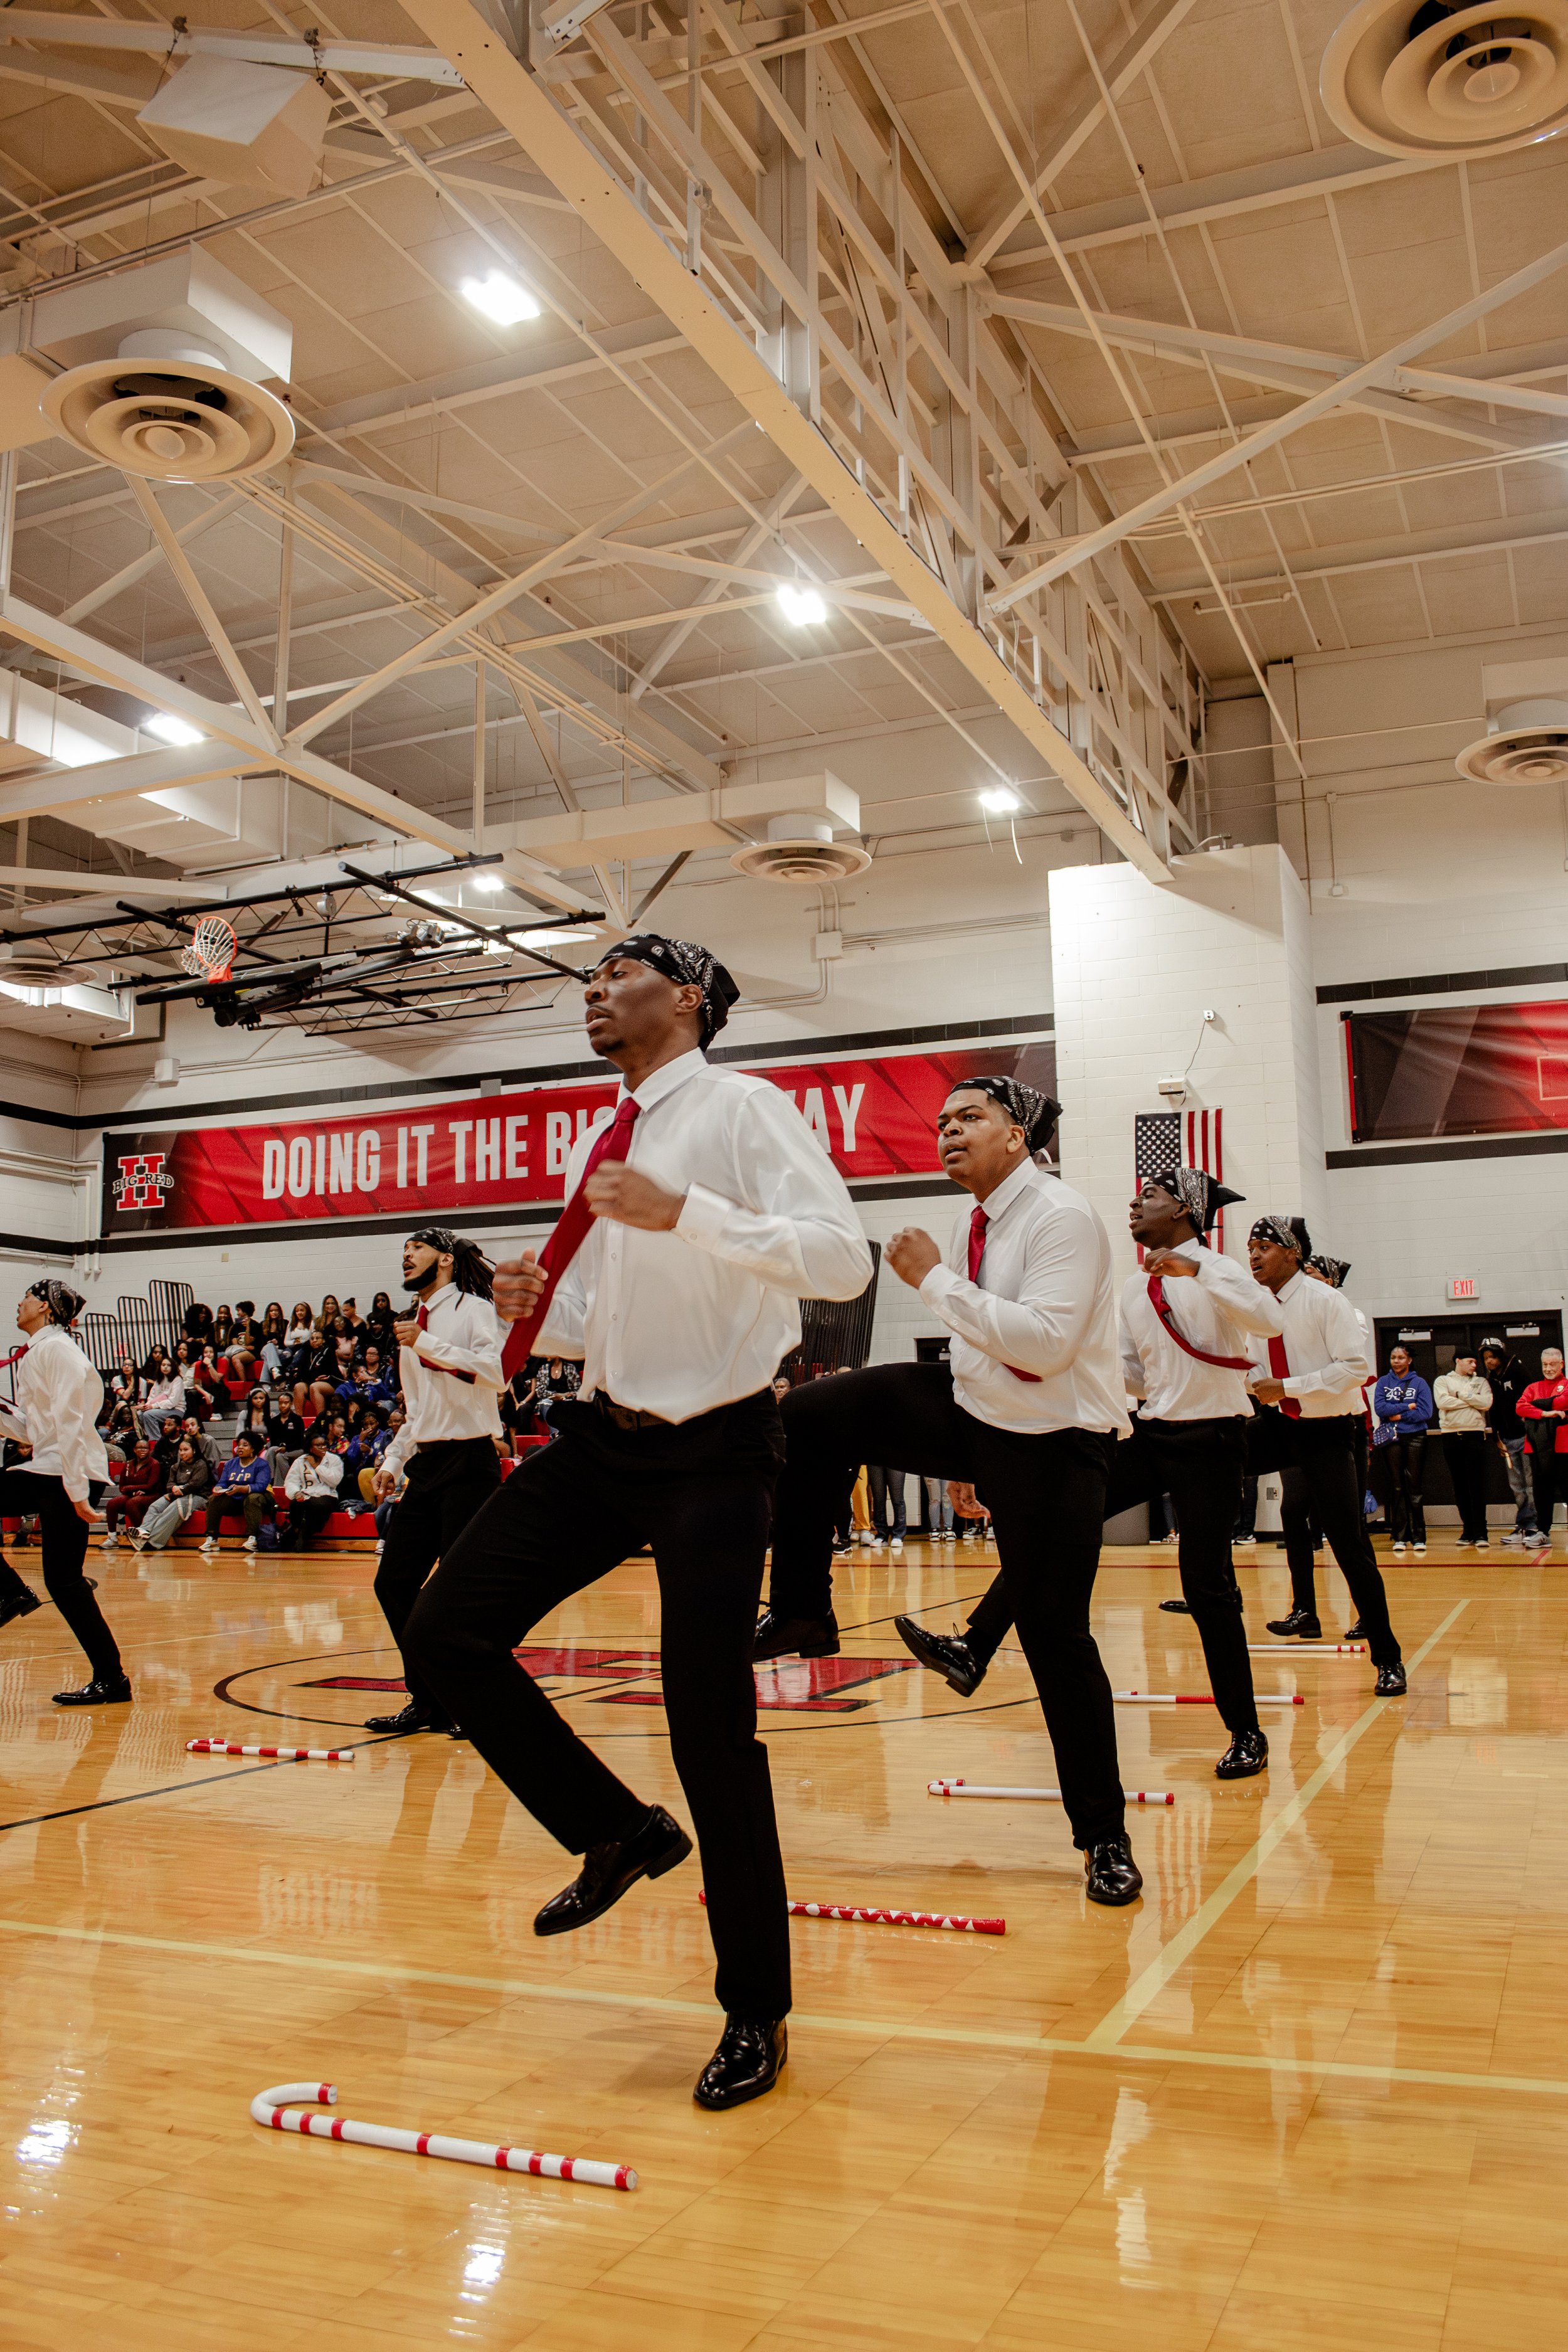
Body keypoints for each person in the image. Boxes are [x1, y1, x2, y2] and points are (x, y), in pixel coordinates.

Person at [404, 932, 871, 2111]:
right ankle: (616, 1831)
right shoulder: (600, 1135)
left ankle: (755, 2007)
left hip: (717, 1449)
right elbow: (609, 1313)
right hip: (606, 1441)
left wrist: (689, 1213)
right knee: (446, 1629)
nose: (595, 993)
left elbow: (841, 1263)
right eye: (588, 981)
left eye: (620, 976)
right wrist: (539, 1307)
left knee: (710, 1729)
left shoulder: (743, 1109)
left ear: (691, 998)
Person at [764, 1075, 1146, 1897]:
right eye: (941, 1120)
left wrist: (932, 1281)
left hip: (1057, 1441)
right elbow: (984, 1345)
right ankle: (801, 1607)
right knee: (814, 1413)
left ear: (1017, 1136)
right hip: (983, 1417)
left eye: (970, 1116)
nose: (948, 1130)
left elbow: (1042, 1346)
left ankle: (1104, 1836)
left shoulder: (1061, 1215)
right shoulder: (973, 1220)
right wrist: (972, 1457)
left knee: (1056, 1640)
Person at [895, 1163, 1281, 1781]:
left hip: (1213, 1440)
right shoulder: (1134, 1287)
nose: (1134, 1204)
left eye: (1150, 1195)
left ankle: (1246, 1732)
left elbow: (1268, 1319)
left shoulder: (1219, 1269)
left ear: (1183, 1209)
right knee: (1053, 1536)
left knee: (1207, 1588)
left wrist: (1196, 1270)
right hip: (1152, 1433)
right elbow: (1128, 1373)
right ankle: (973, 1647)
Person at [1238, 1218, 1405, 1689]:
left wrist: (1286, 1387)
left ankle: (1388, 1657)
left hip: (1326, 1430)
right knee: (1210, 1462)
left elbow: (1355, 1369)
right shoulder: (1255, 1307)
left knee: (1348, 1543)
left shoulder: (1326, 1300)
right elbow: (1251, 1367)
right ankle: (1213, 1586)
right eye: (1250, 1247)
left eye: (1264, 1246)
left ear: (1293, 1253)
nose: (1254, 1255)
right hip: (1278, 1424)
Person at [360, 1231, 507, 1734]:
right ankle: (428, 1699)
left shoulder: (474, 1309)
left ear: (445, 1259)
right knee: (393, 1584)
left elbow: (497, 1374)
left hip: (470, 1462)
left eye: (417, 1248)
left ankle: (471, 1702)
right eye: (403, 1250)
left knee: (458, 1593)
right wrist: (393, 1460)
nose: (406, 1255)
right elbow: (417, 1411)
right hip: (427, 1465)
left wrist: (426, 1344)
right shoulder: (412, 1323)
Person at [0, 1278, 127, 1705]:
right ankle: (10, 1592)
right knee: (65, 1582)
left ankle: (112, 1679)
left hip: (67, 1473)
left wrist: (77, 1494)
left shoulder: (58, 1350)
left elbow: (73, 1425)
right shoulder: (39, 1351)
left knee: (65, 1582)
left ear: (45, 1306)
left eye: (26, 1297)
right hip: (50, 1468)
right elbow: (35, 1431)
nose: (19, 1303)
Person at [1480, 1337, 1544, 1546]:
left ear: (1501, 1355)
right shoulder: (1492, 1378)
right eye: (1485, 1358)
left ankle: (1534, 1526)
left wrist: (1532, 1432)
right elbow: (1494, 1410)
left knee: (1530, 1483)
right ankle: (1523, 1525)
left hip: (1525, 1437)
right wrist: (1497, 1437)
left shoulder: (1517, 1371)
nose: (1489, 1361)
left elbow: (1531, 1402)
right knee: (1517, 1486)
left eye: (1492, 1356)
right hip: (1508, 1439)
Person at [1371, 1344, 1433, 1556]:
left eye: (1400, 1358)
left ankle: (1418, 1536)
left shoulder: (1419, 1383)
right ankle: (1400, 1537)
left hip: (1416, 1437)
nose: (1396, 1361)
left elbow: (1425, 1412)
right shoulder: (1383, 1382)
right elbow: (1380, 1409)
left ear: (1409, 1361)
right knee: (1397, 1487)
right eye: (1393, 1357)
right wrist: (1407, 1407)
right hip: (1392, 1438)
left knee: (1414, 1487)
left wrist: (1397, 1414)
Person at [1434, 1353, 1492, 1547]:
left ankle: (1481, 1532)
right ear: (1458, 1361)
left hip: (1474, 1435)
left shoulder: (1481, 1382)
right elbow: (1442, 1403)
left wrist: (1459, 1395)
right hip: (1451, 1436)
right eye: (1470, 1361)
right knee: (1459, 1485)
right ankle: (1468, 1530)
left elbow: (1486, 1403)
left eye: (1476, 1362)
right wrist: (1472, 1401)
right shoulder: (1443, 1381)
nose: (1474, 1365)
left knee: (1477, 1485)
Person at [1517, 1348, 1568, 1542]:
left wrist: (1535, 1406)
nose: (1548, 1369)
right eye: (1545, 1365)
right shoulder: (1533, 1387)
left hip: (1563, 1447)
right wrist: (1546, 1413)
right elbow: (1520, 1407)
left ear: (1561, 1364)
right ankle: (1543, 1532)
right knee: (1542, 1492)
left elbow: (1565, 1401)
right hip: (1537, 1449)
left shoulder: (1567, 1385)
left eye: (1552, 1364)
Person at [136, 1437, 213, 1552]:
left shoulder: (201, 1465)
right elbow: (170, 1484)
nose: (182, 1453)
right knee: (156, 1506)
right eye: (180, 1450)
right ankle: (144, 1531)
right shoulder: (176, 1466)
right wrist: (173, 1489)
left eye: (186, 1450)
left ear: (194, 1451)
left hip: (199, 1497)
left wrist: (179, 1490)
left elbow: (195, 1485)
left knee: (176, 1506)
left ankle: (153, 1542)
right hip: (177, 1495)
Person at [203, 1434, 275, 1551]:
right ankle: (212, 1539)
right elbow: (223, 1482)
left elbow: (261, 1486)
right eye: (239, 1445)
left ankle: (253, 1538)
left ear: (253, 1449)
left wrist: (242, 1488)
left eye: (245, 1445)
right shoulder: (230, 1464)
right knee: (213, 1499)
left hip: (258, 1501)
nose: (240, 1448)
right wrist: (218, 1488)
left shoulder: (262, 1465)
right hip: (235, 1501)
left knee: (253, 1498)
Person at [283, 1432, 342, 1548]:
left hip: (328, 1496)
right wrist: (296, 1493)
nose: (322, 1447)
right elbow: (291, 1481)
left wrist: (316, 1467)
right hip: (307, 1494)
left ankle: (303, 1533)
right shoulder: (300, 1461)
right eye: (318, 1445)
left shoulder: (334, 1459)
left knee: (317, 1505)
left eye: (324, 1444)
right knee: (295, 1503)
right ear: (310, 1448)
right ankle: (296, 1529)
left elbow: (334, 1481)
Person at [101, 1436, 162, 1542]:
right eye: (139, 1448)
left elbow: (150, 1486)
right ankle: (112, 1537)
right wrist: (133, 1491)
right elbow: (122, 1487)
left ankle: (143, 1535)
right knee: (112, 1503)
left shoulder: (155, 1464)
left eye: (145, 1448)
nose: (142, 1450)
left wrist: (130, 1488)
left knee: (132, 1503)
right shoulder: (128, 1464)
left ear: (150, 1450)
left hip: (152, 1495)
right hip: (133, 1495)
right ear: (134, 1450)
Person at [139, 1354, 186, 1444]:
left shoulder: (177, 1380)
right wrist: (147, 1406)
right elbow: (152, 1397)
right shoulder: (159, 1380)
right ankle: (147, 1438)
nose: (165, 1367)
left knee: (148, 1414)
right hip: (160, 1409)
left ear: (173, 1367)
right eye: (163, 1365)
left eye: (168, 1365)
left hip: (176, 1410)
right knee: (140, 1414)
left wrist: (153, 1406)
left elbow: (172, 1402)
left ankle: (157, 1441)